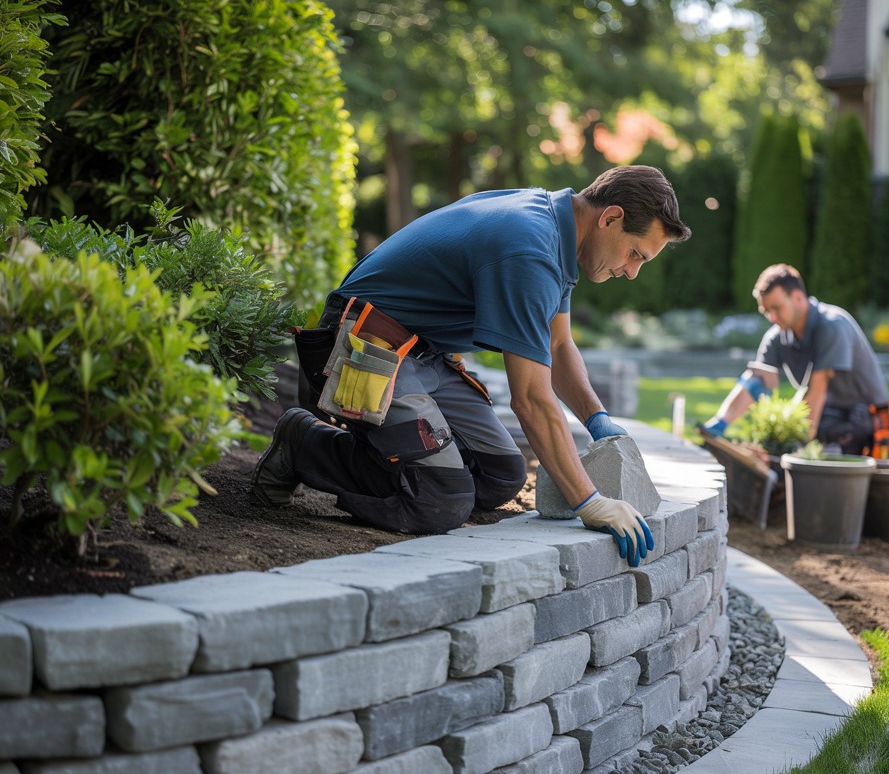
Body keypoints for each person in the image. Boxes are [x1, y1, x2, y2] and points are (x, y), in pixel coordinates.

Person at [251, 165, 691, 566]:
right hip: (362, 344)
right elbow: (532, 400)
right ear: (610, 218)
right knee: (441, 500)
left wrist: (598, 420)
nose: (632, 272)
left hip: (423, 354)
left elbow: (558, 345)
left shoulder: (555, 228)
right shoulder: (529, 249)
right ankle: (304, 444)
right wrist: (590, 502)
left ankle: (414, 466)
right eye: (636, 254)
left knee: (502, 475)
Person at [699, 263, 889, 457]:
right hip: (828, 414)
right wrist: (720, 422)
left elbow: (817, 393)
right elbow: (756, 383)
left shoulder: (832, 326)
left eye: (777, 308)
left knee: (798, 452)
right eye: (767, 311)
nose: (773, 318)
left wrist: (792, 447)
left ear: (797, 297)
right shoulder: (777, 336)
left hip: (863, 418)